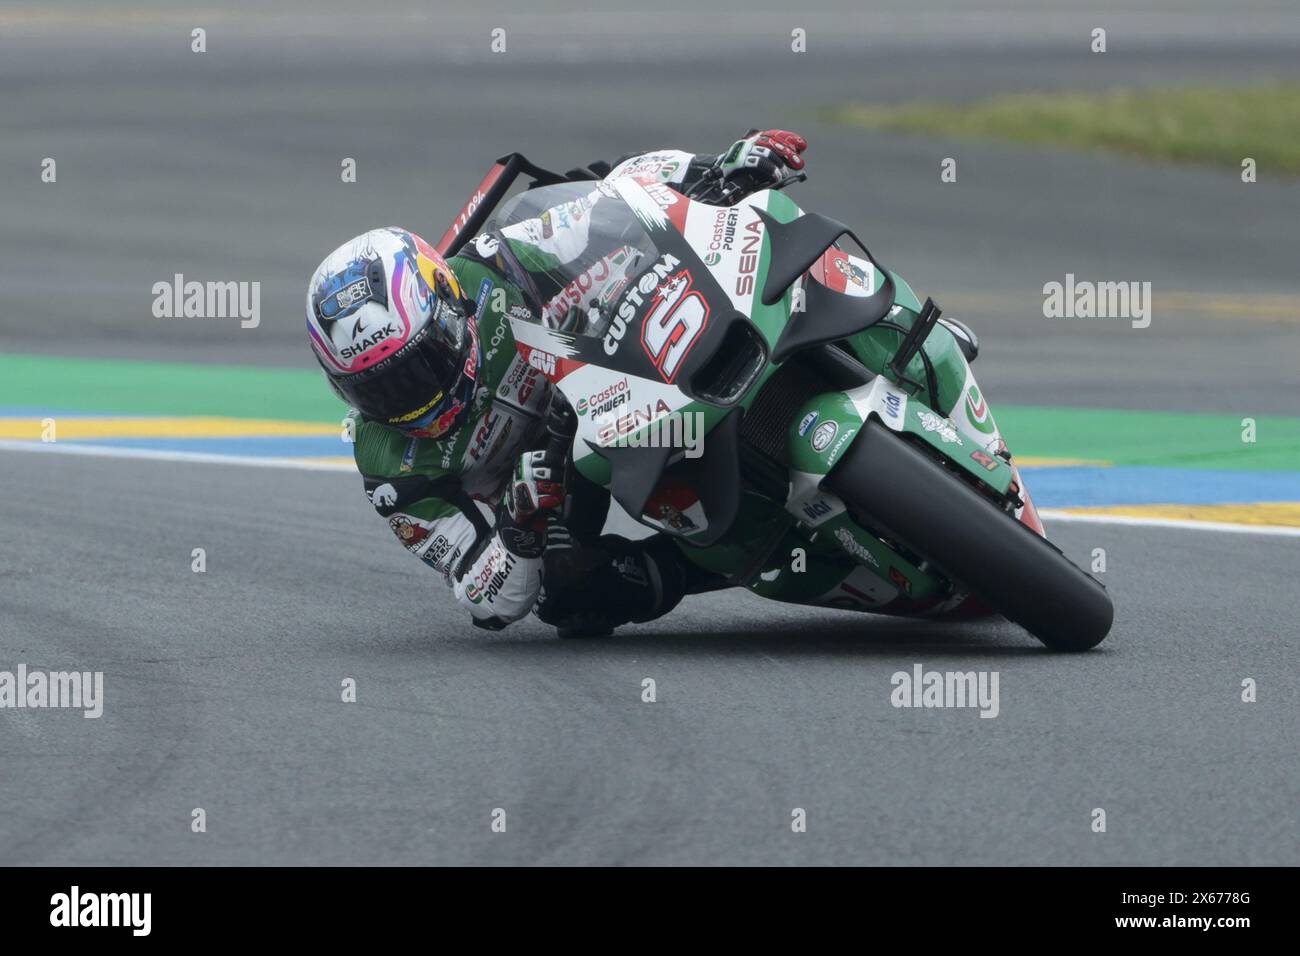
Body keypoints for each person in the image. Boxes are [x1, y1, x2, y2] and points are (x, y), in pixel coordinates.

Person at [305, 131, 808, 632]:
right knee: (564, 593)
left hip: (612, 370)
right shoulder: (389, 469)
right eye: (376, 389)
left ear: (450, 311)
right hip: (552, 478)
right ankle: (712, 562)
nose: (412, 400)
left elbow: (611, 196)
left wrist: (717, 168)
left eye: (423, 364)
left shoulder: (490, 268)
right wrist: (517, 531)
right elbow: (484, 599)